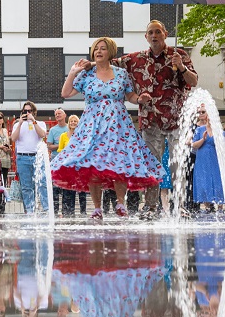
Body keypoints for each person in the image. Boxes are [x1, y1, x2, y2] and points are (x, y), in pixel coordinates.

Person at [52, 37, 163, 220]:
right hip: (93, 126)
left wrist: (140, 99)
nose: (98, 51)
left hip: (118, 125)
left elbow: (130, 95)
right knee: (93, 166)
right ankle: (96, 209)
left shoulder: (120, 74)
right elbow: (66, 93)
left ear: (110, 52)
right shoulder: (87, 74)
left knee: (120, 163)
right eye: (96, 49)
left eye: (103, 48)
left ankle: (121, 203)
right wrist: (72, 72)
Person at [113, 20, 198, 218]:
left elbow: (194, 81)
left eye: (158, 32)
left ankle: (179, 207)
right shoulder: (136, 59)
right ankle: (151, 207)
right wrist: (88, 64)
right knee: (152, 165)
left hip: (176, 119)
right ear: (146, 37)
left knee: (178, 164)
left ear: (165, 34)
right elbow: (110, 64)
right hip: (150, 120)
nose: (154, 36)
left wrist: (182, 68)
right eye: (150, 32)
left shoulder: (180, 55)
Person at [10, 101, 49, 214]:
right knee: (26, 187)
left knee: (42, 184)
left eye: (29, 111)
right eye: (25, 111)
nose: (27, 113)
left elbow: (42, 135)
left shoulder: (40, 123)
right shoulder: (18, 125)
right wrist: (21, 123)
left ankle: (46, 209)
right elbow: (13, 138)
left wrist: (33, 121)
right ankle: (30, 210)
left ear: (34, 112)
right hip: (23, 157)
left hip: (37, 157)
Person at [191, 106, 225, 212]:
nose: (201, 114)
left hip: (215, 159)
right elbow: (194, 145)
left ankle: (220, 206)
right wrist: (203, 139)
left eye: (204, 112)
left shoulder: (219, 130)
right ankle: (207, 206)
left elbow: (222, 145)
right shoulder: (199, 129)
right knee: (204, 180)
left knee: (217, 180)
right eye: (199, 112)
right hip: (202, 159)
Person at [57, 115, 87, 216]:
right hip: (67, 166)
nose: (73, 122)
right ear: (68, 123)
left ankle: (83, 211)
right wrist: (68, 151)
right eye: (71, 121)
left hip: (79, 166)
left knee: (81, 189)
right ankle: (68, 211)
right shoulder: (63, 136)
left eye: (75, 121)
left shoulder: (82, 135)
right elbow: (59, 150)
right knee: (68, 189)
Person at [47, 108, 69, 209]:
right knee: (55, 186)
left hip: (68, 161)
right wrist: (61, 145)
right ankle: (55, 209)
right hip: (55, 159)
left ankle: (66, 209)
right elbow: (49, 146)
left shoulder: (70, 128)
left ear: (65, 115)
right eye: (56, 114)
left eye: (59, 113)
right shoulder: (53, 130)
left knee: (66, 186)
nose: (57, 115)